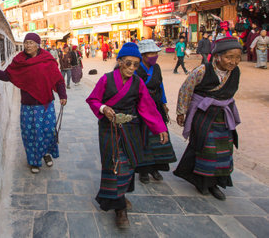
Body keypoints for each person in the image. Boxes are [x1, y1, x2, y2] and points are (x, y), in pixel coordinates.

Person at [86, 43, 169, 229]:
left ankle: (120, 196)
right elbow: (93, 99)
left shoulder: (138, 83)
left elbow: (147, 106)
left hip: (131, 127)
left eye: (136, 65)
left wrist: (160, 128)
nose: (132, 68)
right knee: (114, 163)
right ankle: (120, 208)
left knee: (128, 163)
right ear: (120, 62)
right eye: (128, 64)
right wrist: (103, 108)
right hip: (109, 129)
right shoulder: (106, 80)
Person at [0, 33, 67, 174]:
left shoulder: (47, 59)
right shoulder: (19, 60)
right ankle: (34, 160)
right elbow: (7, 76)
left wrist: (62, 95)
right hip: (28, 104)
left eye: (31, 42)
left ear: (37, 44)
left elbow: (58, 79)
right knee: (31, 134)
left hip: (46, 103)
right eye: (26, 42)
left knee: (47, 131)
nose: (28, 45)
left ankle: (46, 153)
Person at [173, 37, 243, 200]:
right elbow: (186, 89)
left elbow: (230, 93)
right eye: (229, 57)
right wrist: (181, 112)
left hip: (223, 116)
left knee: (224, 150)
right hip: (203, 115)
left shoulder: (235, 72)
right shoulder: (202, 71)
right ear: (217, 56)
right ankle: (203, 183)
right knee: (206, 149)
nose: (233, 62)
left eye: (237, 57)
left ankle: (216, 183)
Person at [135, 40, 177, 184]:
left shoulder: (156, 68)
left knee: (159, 137)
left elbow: (161, 86)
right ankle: (143, 171)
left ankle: (156, 168)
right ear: (143, 55)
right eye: (151, 53)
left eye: (155, 53)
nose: (154, 56)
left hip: (156, 105)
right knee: (144, 139)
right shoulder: (135, 69)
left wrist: (164, 103)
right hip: (141, 107)